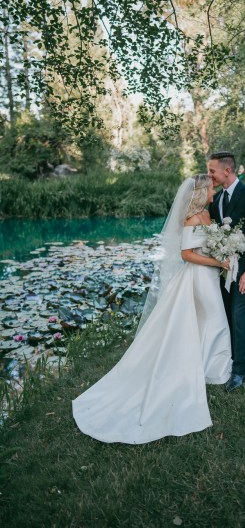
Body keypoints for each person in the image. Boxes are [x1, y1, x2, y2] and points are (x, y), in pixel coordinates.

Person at [72, 175, 232, 444]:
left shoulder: (206, 213)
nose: (214, 193)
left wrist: (224, 252)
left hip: (209, 277)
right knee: (215, 320)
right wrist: (217, 261)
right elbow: (187, 254)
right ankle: (213, 370)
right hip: (198, 277)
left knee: (209, 322)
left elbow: (211, 243)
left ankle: (209, 368)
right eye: (211, 190)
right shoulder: (192, 219)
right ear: (201, 192)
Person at [207, 151, 245, 392]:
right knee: (225, 316)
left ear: (227, 171)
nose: (209, 175)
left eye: (212, 171)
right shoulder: (217, 199)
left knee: (239, 316)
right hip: (221, 270)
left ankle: (240, 371)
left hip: (242, 271)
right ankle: (226, 360)